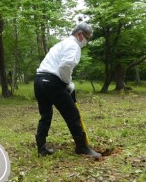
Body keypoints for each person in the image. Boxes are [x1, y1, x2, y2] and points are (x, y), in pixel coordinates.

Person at [34, 22, 101, 157]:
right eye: (87, 38)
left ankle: (41, 148)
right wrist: (68, 83)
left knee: (45, 115)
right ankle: (82, 147)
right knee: (72, 114)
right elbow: (65, 66)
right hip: (52, 82)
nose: (86, 42)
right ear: (80, 35)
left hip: (39, 81)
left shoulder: (60, 44)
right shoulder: (73, 45)